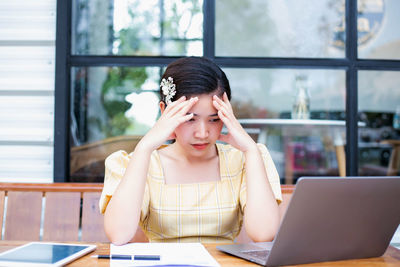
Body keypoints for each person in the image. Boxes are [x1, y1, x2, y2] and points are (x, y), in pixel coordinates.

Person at [99, 57, 282, 245]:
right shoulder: (142, 163)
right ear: (165, 112)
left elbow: (264, 234)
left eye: (214, 119)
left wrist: (251, 150)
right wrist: (144, 148)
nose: (202, 133)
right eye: (189, 119)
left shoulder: (243, 160)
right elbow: (118, 234)